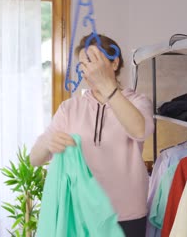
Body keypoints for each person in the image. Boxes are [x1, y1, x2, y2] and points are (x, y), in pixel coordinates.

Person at [30, 34, 154, 237]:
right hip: (82, 215)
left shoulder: (138, 102)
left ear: (114, 63)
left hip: (126, 215)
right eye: (83, 64)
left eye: (92, 62)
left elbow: (141, 131)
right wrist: (49, 144)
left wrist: (108, 87)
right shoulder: (70, 108)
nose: (87, 70)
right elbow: (34, 158)